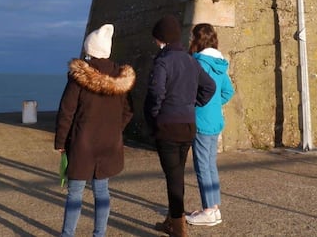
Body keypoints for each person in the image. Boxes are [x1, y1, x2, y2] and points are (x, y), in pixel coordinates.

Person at [55, 24, 136, 237]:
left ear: (89, 50)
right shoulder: (120, 79)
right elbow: (129, 111)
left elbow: (66, 112)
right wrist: (115, 129)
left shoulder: (79, 78)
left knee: (75, 193)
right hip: (110, 144)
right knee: (102, 191)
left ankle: (68, 234)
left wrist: (61, 143)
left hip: (82, 144)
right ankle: (99, 234)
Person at [144, 14, 216, 237]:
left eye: (156, 39)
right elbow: (210, 87)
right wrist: (192, 103)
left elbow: (156, 92)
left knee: (173, 179)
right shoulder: (191, 60)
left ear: (162, 38)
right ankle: (172, 221)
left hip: (167, 126)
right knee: (176, 176)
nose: (155, 43)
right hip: (187, 125)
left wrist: (156, 115)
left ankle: (179, 230)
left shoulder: (163, 61)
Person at [185, 23, 235, 227]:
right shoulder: (220, 63)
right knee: (210, 165)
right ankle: (214, 209)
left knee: (202, 166)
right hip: (215, 119)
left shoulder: (197, 63)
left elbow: (190, 91)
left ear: (198, 39)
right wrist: (214, 104)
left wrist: (198, 105)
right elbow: (227, 92)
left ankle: (208, 211)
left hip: (200, 120)